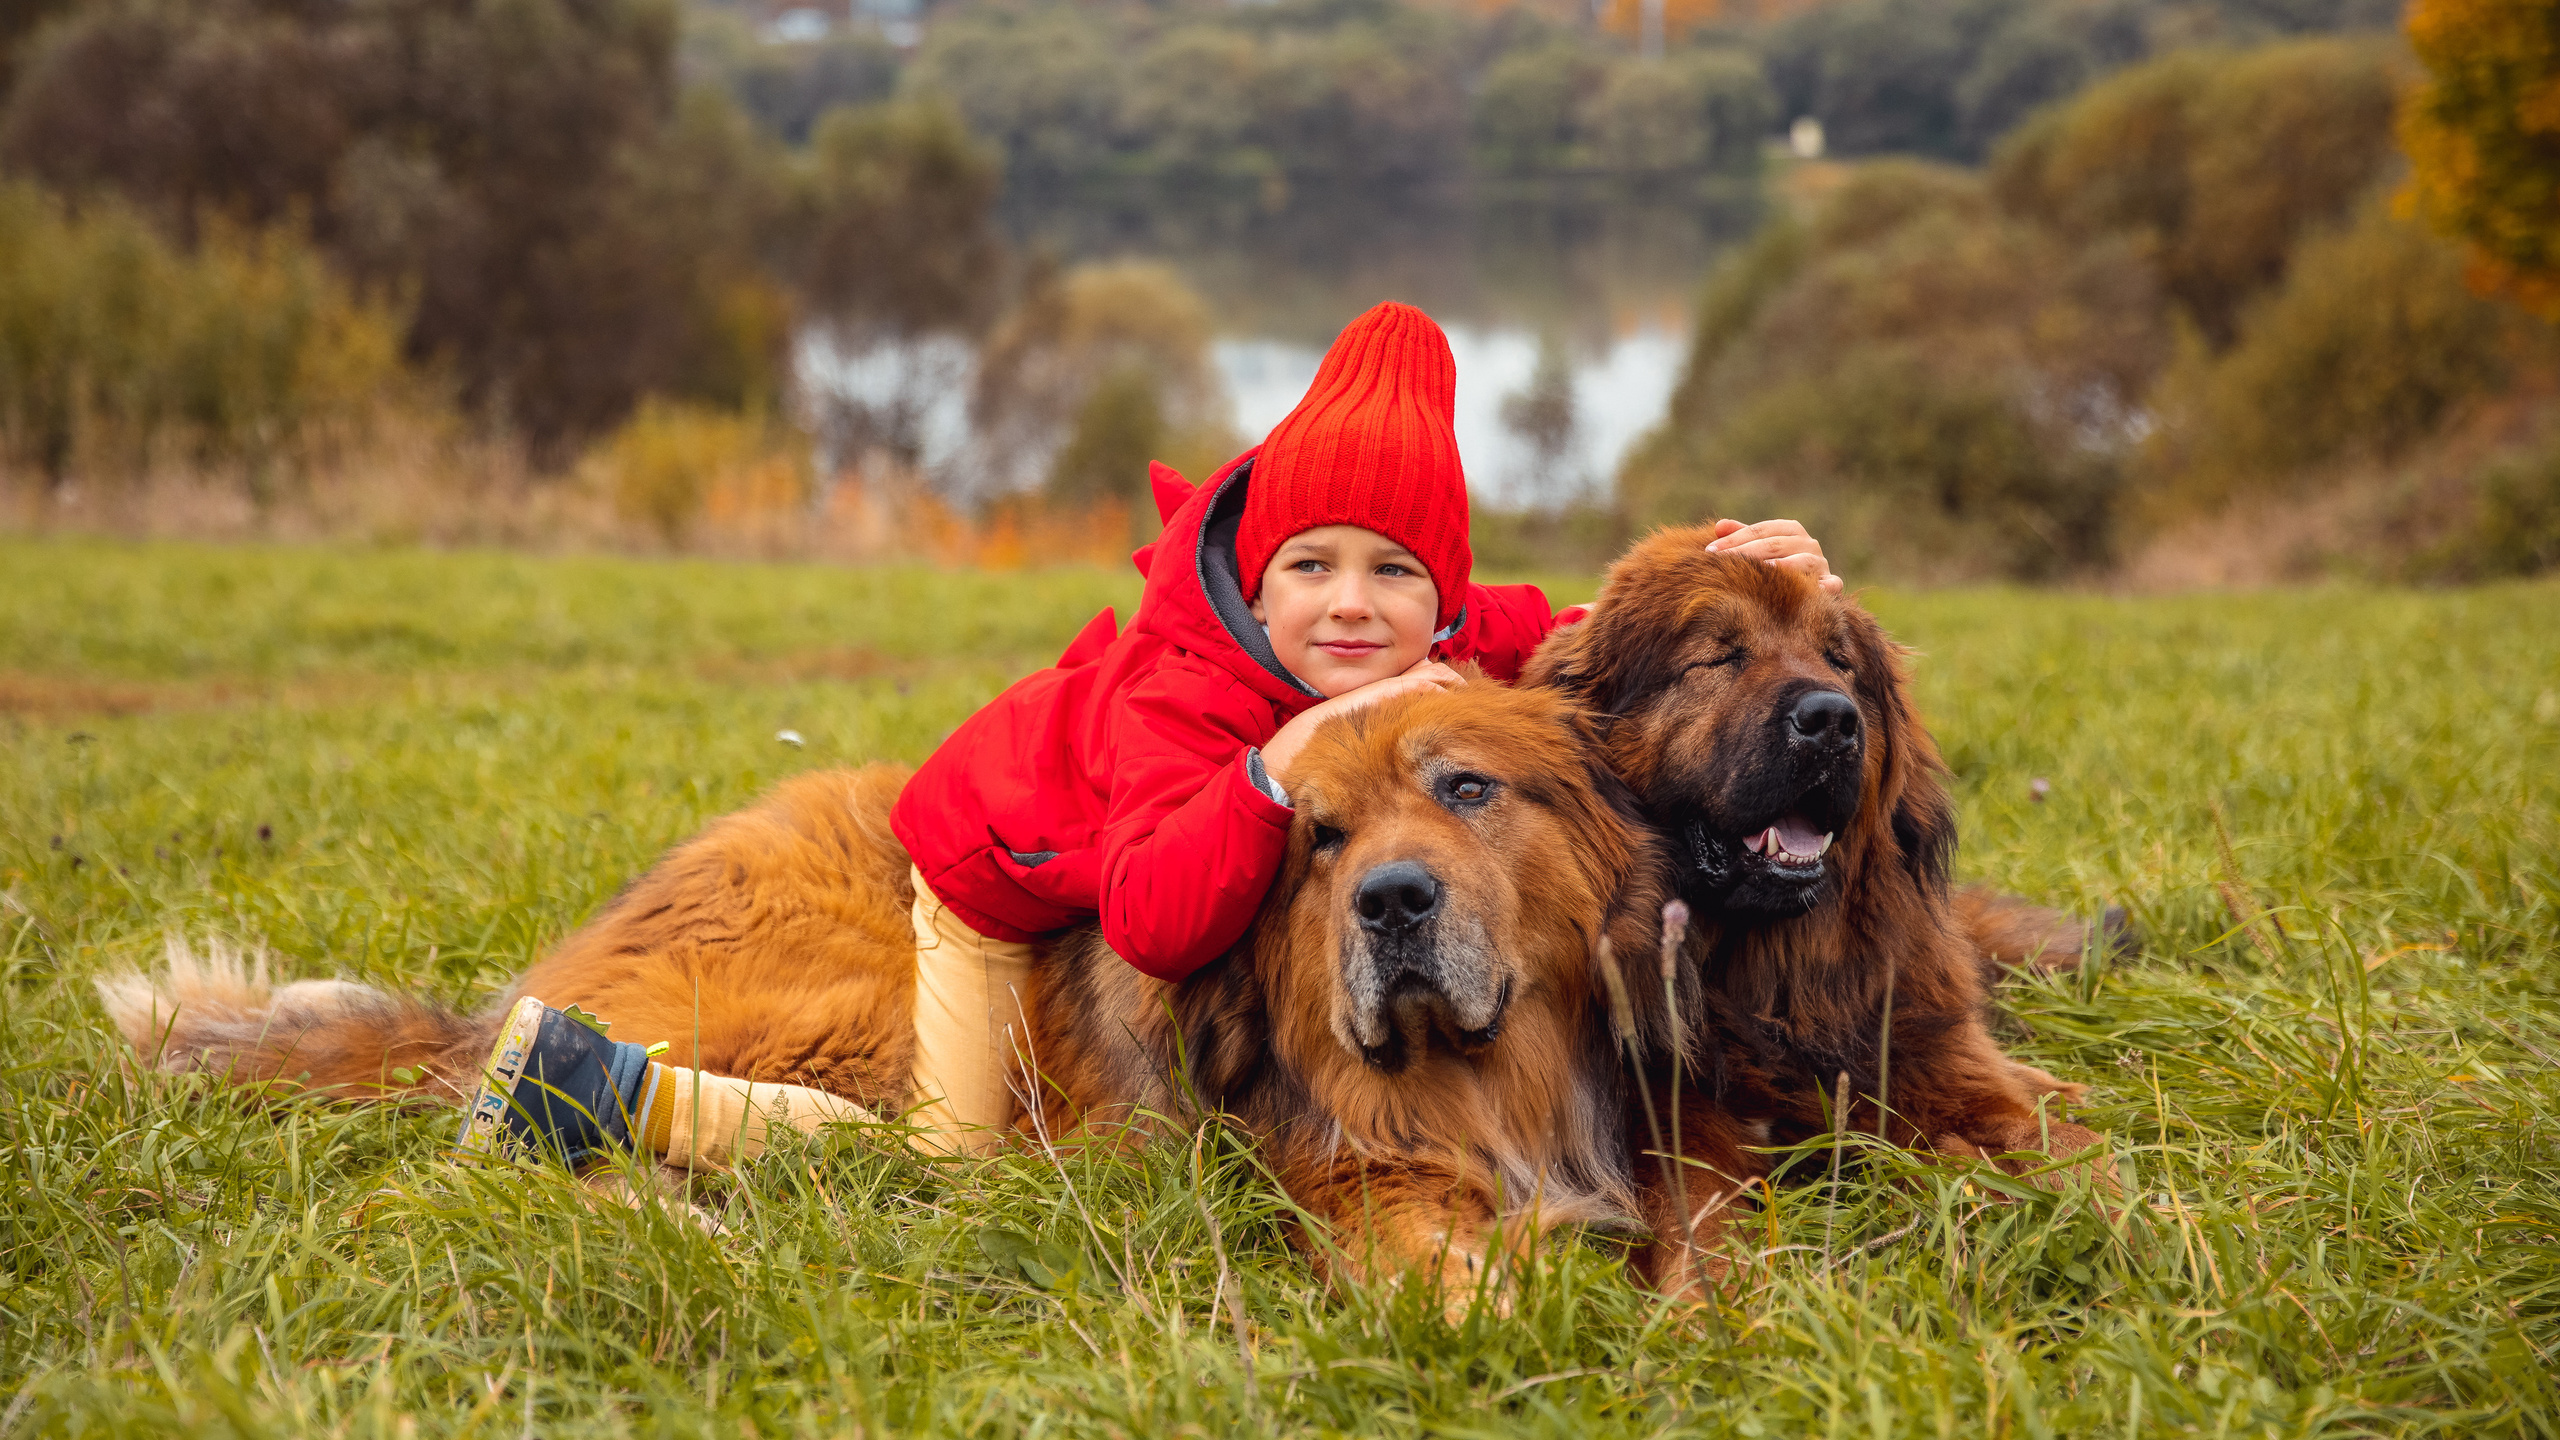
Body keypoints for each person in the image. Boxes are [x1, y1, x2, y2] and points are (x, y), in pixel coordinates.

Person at [465, 302, 1835, 1172]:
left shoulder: (1419, 636)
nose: (1352, 606)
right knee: (956, 1152)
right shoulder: (1189, 690)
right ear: (1259, 571)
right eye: (1313, 566)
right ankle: (618, 1102)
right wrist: (1273, 771)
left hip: (1087, 855)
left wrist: (1726, 572)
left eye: (1394, 574)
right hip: (969, 883)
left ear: (1438, 600)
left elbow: (1564, 635)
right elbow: (1160, 917)